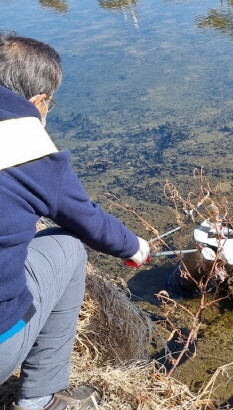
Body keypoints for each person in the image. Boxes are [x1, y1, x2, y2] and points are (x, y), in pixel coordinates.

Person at [0, 32, 151, 409]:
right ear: (38, 101)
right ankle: (41, 397)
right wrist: (135, 247)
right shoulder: (24, 144)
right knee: (67, 246)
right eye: (49, 103)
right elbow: (88, 221)